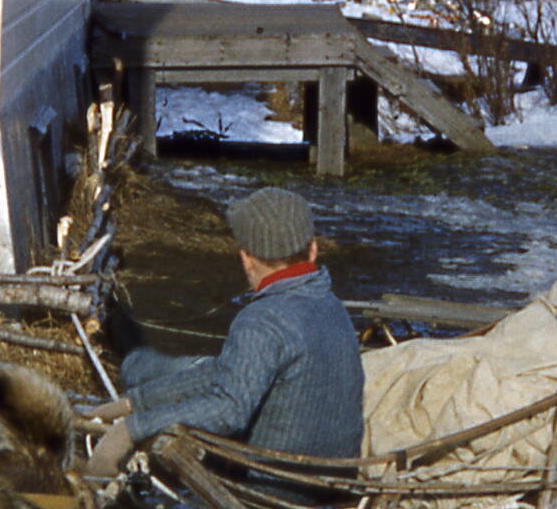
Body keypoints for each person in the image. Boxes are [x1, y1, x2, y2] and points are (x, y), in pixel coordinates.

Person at [83, 186, 364, 476]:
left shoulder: (262, 320)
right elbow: (226, 373)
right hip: (335, 477)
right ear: (313, 250)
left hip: (278, 488)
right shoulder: (331, 305)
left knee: (165, 449)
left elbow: (229, 409)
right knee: (180, 372)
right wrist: (135, 402)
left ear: (246, 258)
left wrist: (133, 429)